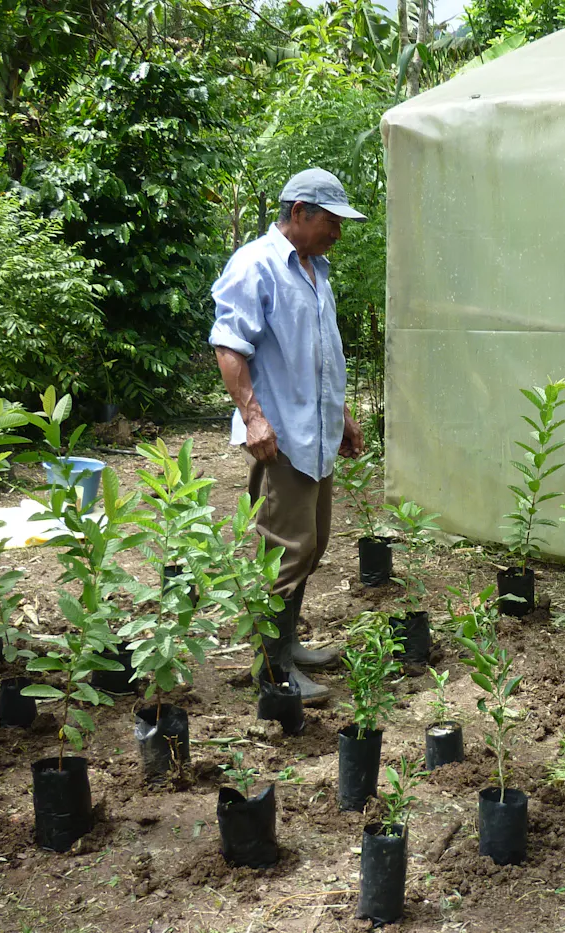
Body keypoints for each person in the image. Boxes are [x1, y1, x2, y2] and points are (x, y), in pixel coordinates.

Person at [210, 168, 368, 705]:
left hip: (316, 432)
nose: (337, 234)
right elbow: (229, 346)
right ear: (299, 211)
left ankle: (288, 644)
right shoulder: (255, 265)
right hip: (280, 440)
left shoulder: (315, 269)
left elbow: (320, 354)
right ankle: (271, 670)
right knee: (283, 551)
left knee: (313, 543)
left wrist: (341, 414)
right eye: (331, 221)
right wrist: (254, 418)